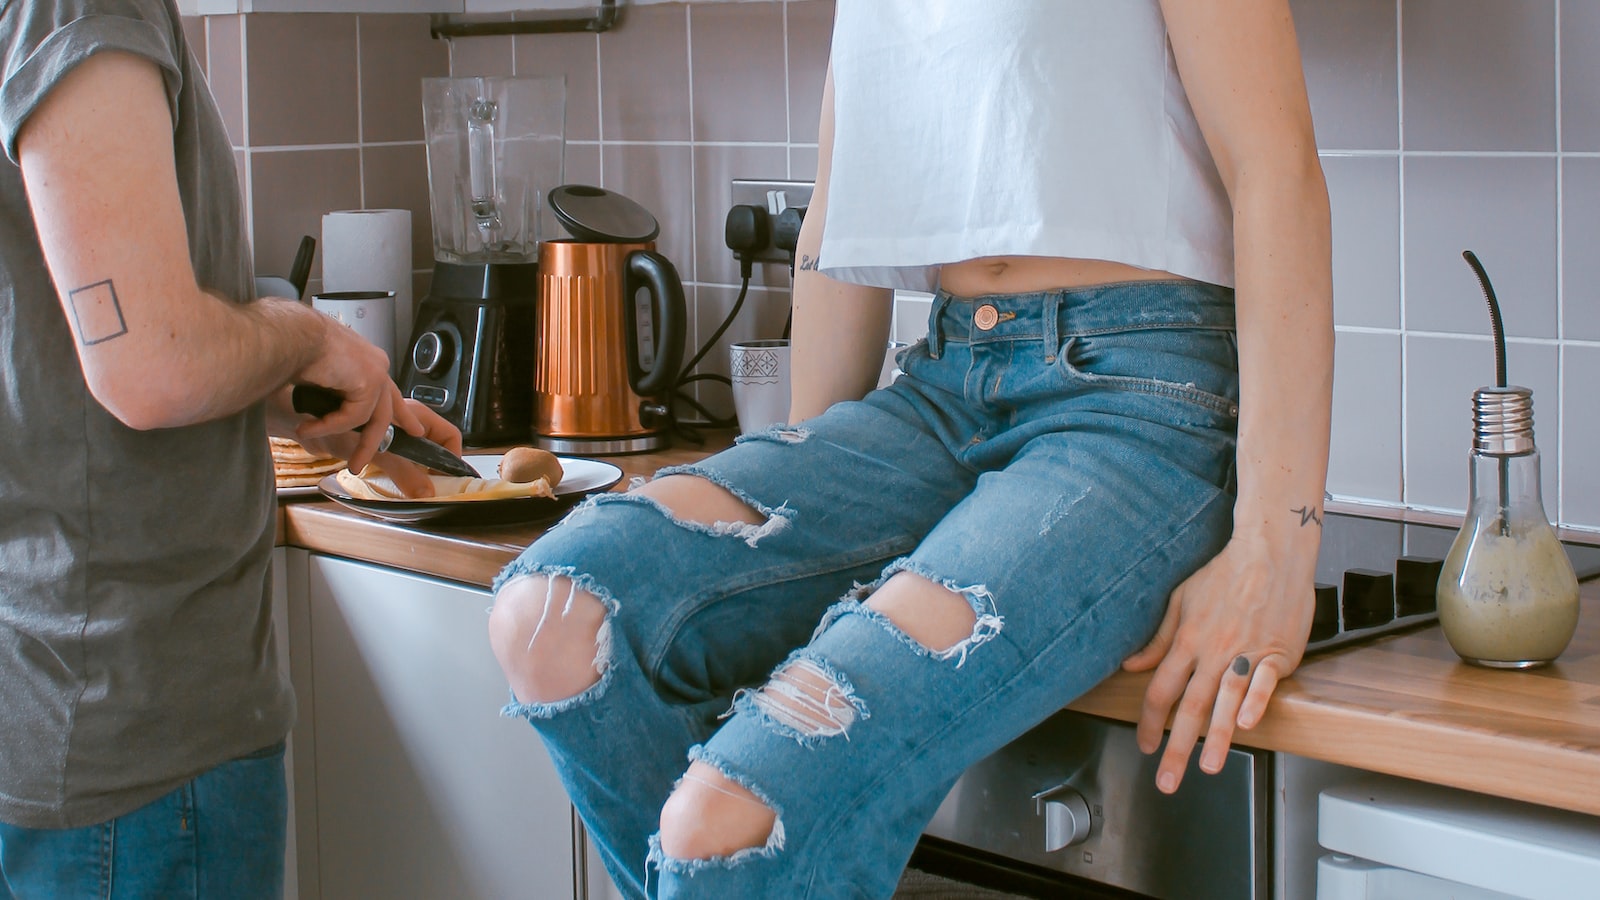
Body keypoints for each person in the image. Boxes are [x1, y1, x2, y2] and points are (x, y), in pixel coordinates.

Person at [488, 1, 1332, 896]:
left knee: (727, 826)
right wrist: (792, 541)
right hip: (943, 384)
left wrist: (1276, 554)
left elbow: (1275, 171)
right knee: (552, 618)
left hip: (1136, 406)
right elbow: (834, 221)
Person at [0, 0, 461, 895]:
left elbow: (70, 338)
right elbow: (147, 364)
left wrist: (277, 377)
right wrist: (304, 336)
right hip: (133, 738)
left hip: (62, 708)